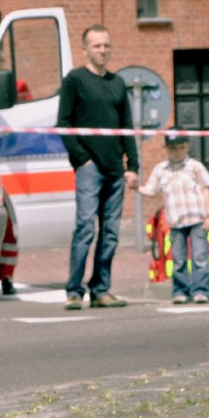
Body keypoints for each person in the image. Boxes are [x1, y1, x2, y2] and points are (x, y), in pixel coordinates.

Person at [56, 24, 139, 310]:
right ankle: (74, 291)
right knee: (85, 228)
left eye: (106, 45)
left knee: (111, 232)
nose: (102, 50)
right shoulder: (75, 80)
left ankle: (101, 289)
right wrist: (82, 159)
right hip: (89, 169)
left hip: (116, 169)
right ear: (85, 50)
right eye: (97, 46)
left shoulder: (117, 83)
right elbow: (63, 125)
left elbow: (126, 126)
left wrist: (133, 166)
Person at [135, 127, 209, 304]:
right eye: (172, 148)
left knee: (200, 256)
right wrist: (136, 188)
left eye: (180, 147)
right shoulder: (161, 170)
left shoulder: (195, 167)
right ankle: (180, 291)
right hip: (175, 221)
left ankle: (201, 290)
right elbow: (151, 190)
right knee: (178, 259)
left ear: (187, 146)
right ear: (166, 149)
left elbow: (205, 190)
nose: (176, 152)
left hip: (197, 219)